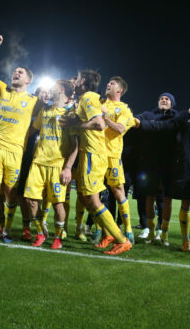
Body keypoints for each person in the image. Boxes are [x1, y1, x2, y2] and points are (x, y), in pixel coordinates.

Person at [138, 85, 190, 253]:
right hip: (188, 168)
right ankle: (186, 240)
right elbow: (164, 126)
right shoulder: (186, 116)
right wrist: (140, 124)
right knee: (186, 203)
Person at [60, 70, 132, 255]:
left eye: (76, 77)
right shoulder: (87, 99)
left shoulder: (90, 98)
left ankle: (122, 239)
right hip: (88, 153)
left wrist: (73, 125)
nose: (74, 81)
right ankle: (108, 234)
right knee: (85, 198)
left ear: (83, 80)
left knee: (92, 199)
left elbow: (99, 124)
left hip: (94, 153)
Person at [0, 35, 39, 243]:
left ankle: (7, 230)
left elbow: (53, 110)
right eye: (15, 71)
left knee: (11, 193)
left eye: (20, 72)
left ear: (28, 80)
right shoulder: (2, 90)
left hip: (16, 151)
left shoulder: (33, 101)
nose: (16, 73)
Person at [24, 80, 78, 249]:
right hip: (38, 162)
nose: (50, 89)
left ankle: (58, 237)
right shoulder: (45, 110)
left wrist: (68, 168)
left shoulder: (70, 115)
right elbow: (32, 129)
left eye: (54, 86)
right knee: (30, 200)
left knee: (57, 204)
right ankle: (40, 232)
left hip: (58, 166)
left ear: (61, 90)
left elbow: (76, 146)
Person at [134, 93, 179, 244]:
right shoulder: (148, 114)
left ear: (172, 103)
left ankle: (163, 231)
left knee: (167, 198)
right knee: (149, 197)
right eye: (161, 98)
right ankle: (151, 230)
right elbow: (134, 118)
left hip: (169, 164)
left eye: (167, 99)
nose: (164, 100)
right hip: (150, 162)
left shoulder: (176, 116)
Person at [100, 76, 136, 244]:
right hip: (94, 153)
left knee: (117, 190)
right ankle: (103, 231)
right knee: (92, 193)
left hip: (112, 156)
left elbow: (120, 129)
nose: (108, 84)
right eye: (108, 83)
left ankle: (127, 229)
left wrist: (104, 118)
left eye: (112, 84)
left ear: (119, 90)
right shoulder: (100, 103)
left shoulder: (124, 110)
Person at [16, 86, 50, 241]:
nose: (46, 94)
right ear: (35, 96)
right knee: (23, 195)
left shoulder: (52, 112)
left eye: (49, 92)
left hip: (46, 160)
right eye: (43, 91)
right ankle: (26, 227)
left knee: (44, 196)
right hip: (26, 158)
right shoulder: (27, 112)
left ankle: (42, 222)